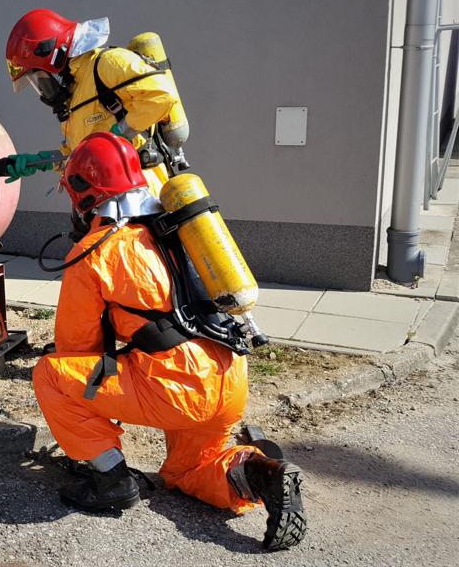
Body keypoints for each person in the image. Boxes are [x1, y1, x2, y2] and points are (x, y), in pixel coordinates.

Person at [32, 131, 307, 551]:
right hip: (229, 378)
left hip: (174, 388)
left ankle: (111, 478)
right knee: (187, 471)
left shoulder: (97, 251)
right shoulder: (180, 229)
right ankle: (261, 474)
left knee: (52, 375)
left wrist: (92, 421)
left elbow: (76, 347)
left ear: (86, 193)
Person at [4, 9, 180, 195]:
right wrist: (40, 162)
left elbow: (161, 96)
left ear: (53, 57)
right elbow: (78, 156)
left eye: (38, 76)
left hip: (140, 189)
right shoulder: (75, 93)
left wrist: (119, 135)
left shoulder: (107, 63)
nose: (42, 87)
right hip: (103, 197)